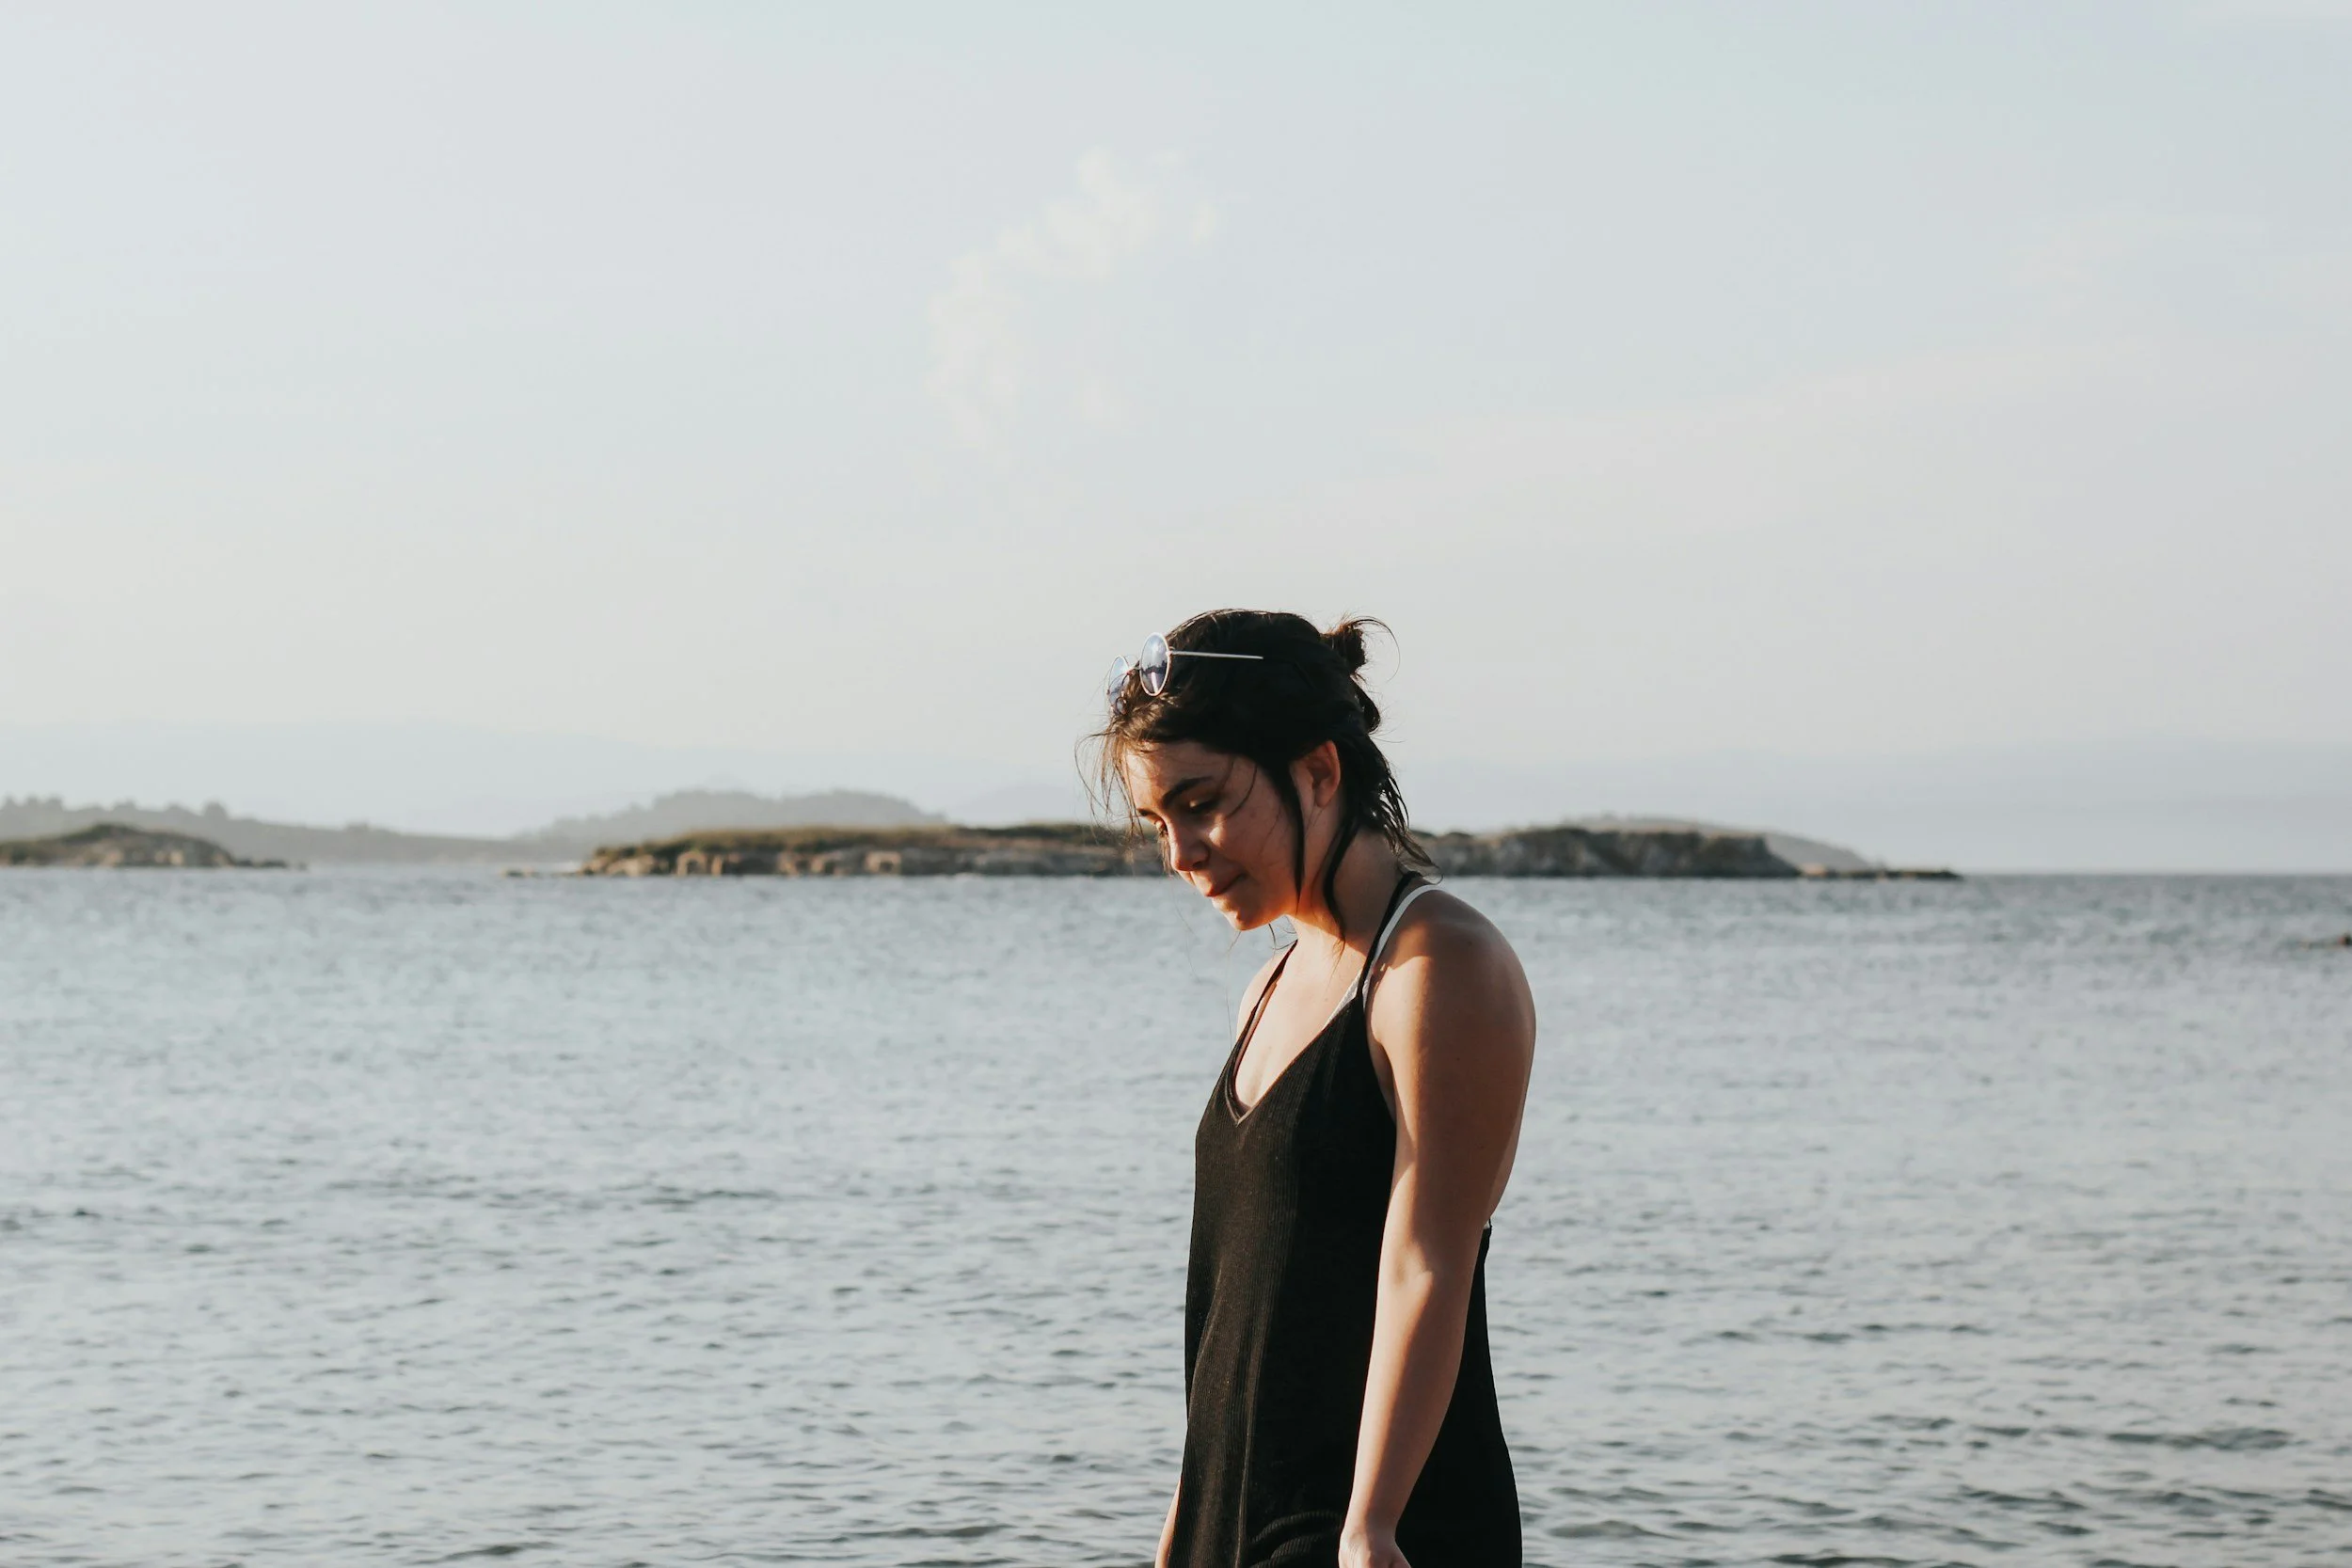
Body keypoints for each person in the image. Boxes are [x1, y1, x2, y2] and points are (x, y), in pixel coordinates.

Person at [1097, 610, 1535, 1568]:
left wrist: (1369, 1524)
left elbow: (1429, 1263)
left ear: (1320, 771)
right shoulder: (1265, 991)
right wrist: (1180, 1536)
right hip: (1238, 1525)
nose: (1180, 850)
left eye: (1203, 801)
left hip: (1379, 1531)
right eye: (1157, 820)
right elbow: (1231, 1321)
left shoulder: (1437, 967)